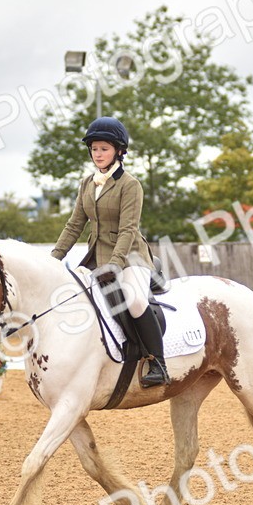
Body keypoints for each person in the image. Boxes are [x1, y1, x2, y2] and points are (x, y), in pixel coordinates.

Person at [51, 117, 169, 388]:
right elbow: (74, 225)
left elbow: (128, 229)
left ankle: (157, 362)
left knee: (135, 300)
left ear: (118, 150)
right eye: (94, 149)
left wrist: (115, 264)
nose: (98, 154)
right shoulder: (87, 184)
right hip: (96, 257)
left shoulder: (130, 185)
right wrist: (53, 259)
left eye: (103, 149)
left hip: (131, 258)